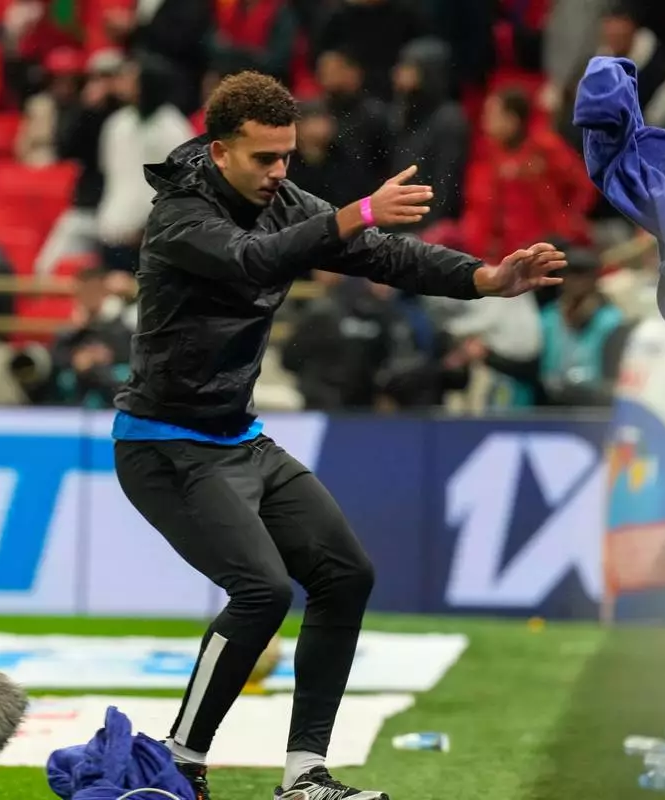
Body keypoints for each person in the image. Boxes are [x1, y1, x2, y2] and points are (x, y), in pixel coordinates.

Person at [111, 70, 565, 800]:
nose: (280, 173)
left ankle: (305, 777)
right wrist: (354, 211)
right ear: (221, 151)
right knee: (260, 590)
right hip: (164, 445)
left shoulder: (282, 199)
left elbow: (383, 254)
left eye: (288, 157)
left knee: (345, 575)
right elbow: (252, 260)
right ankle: (180, 763)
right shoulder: (180, 216)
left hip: (237, 439)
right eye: (265, 159)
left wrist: (484, 279)